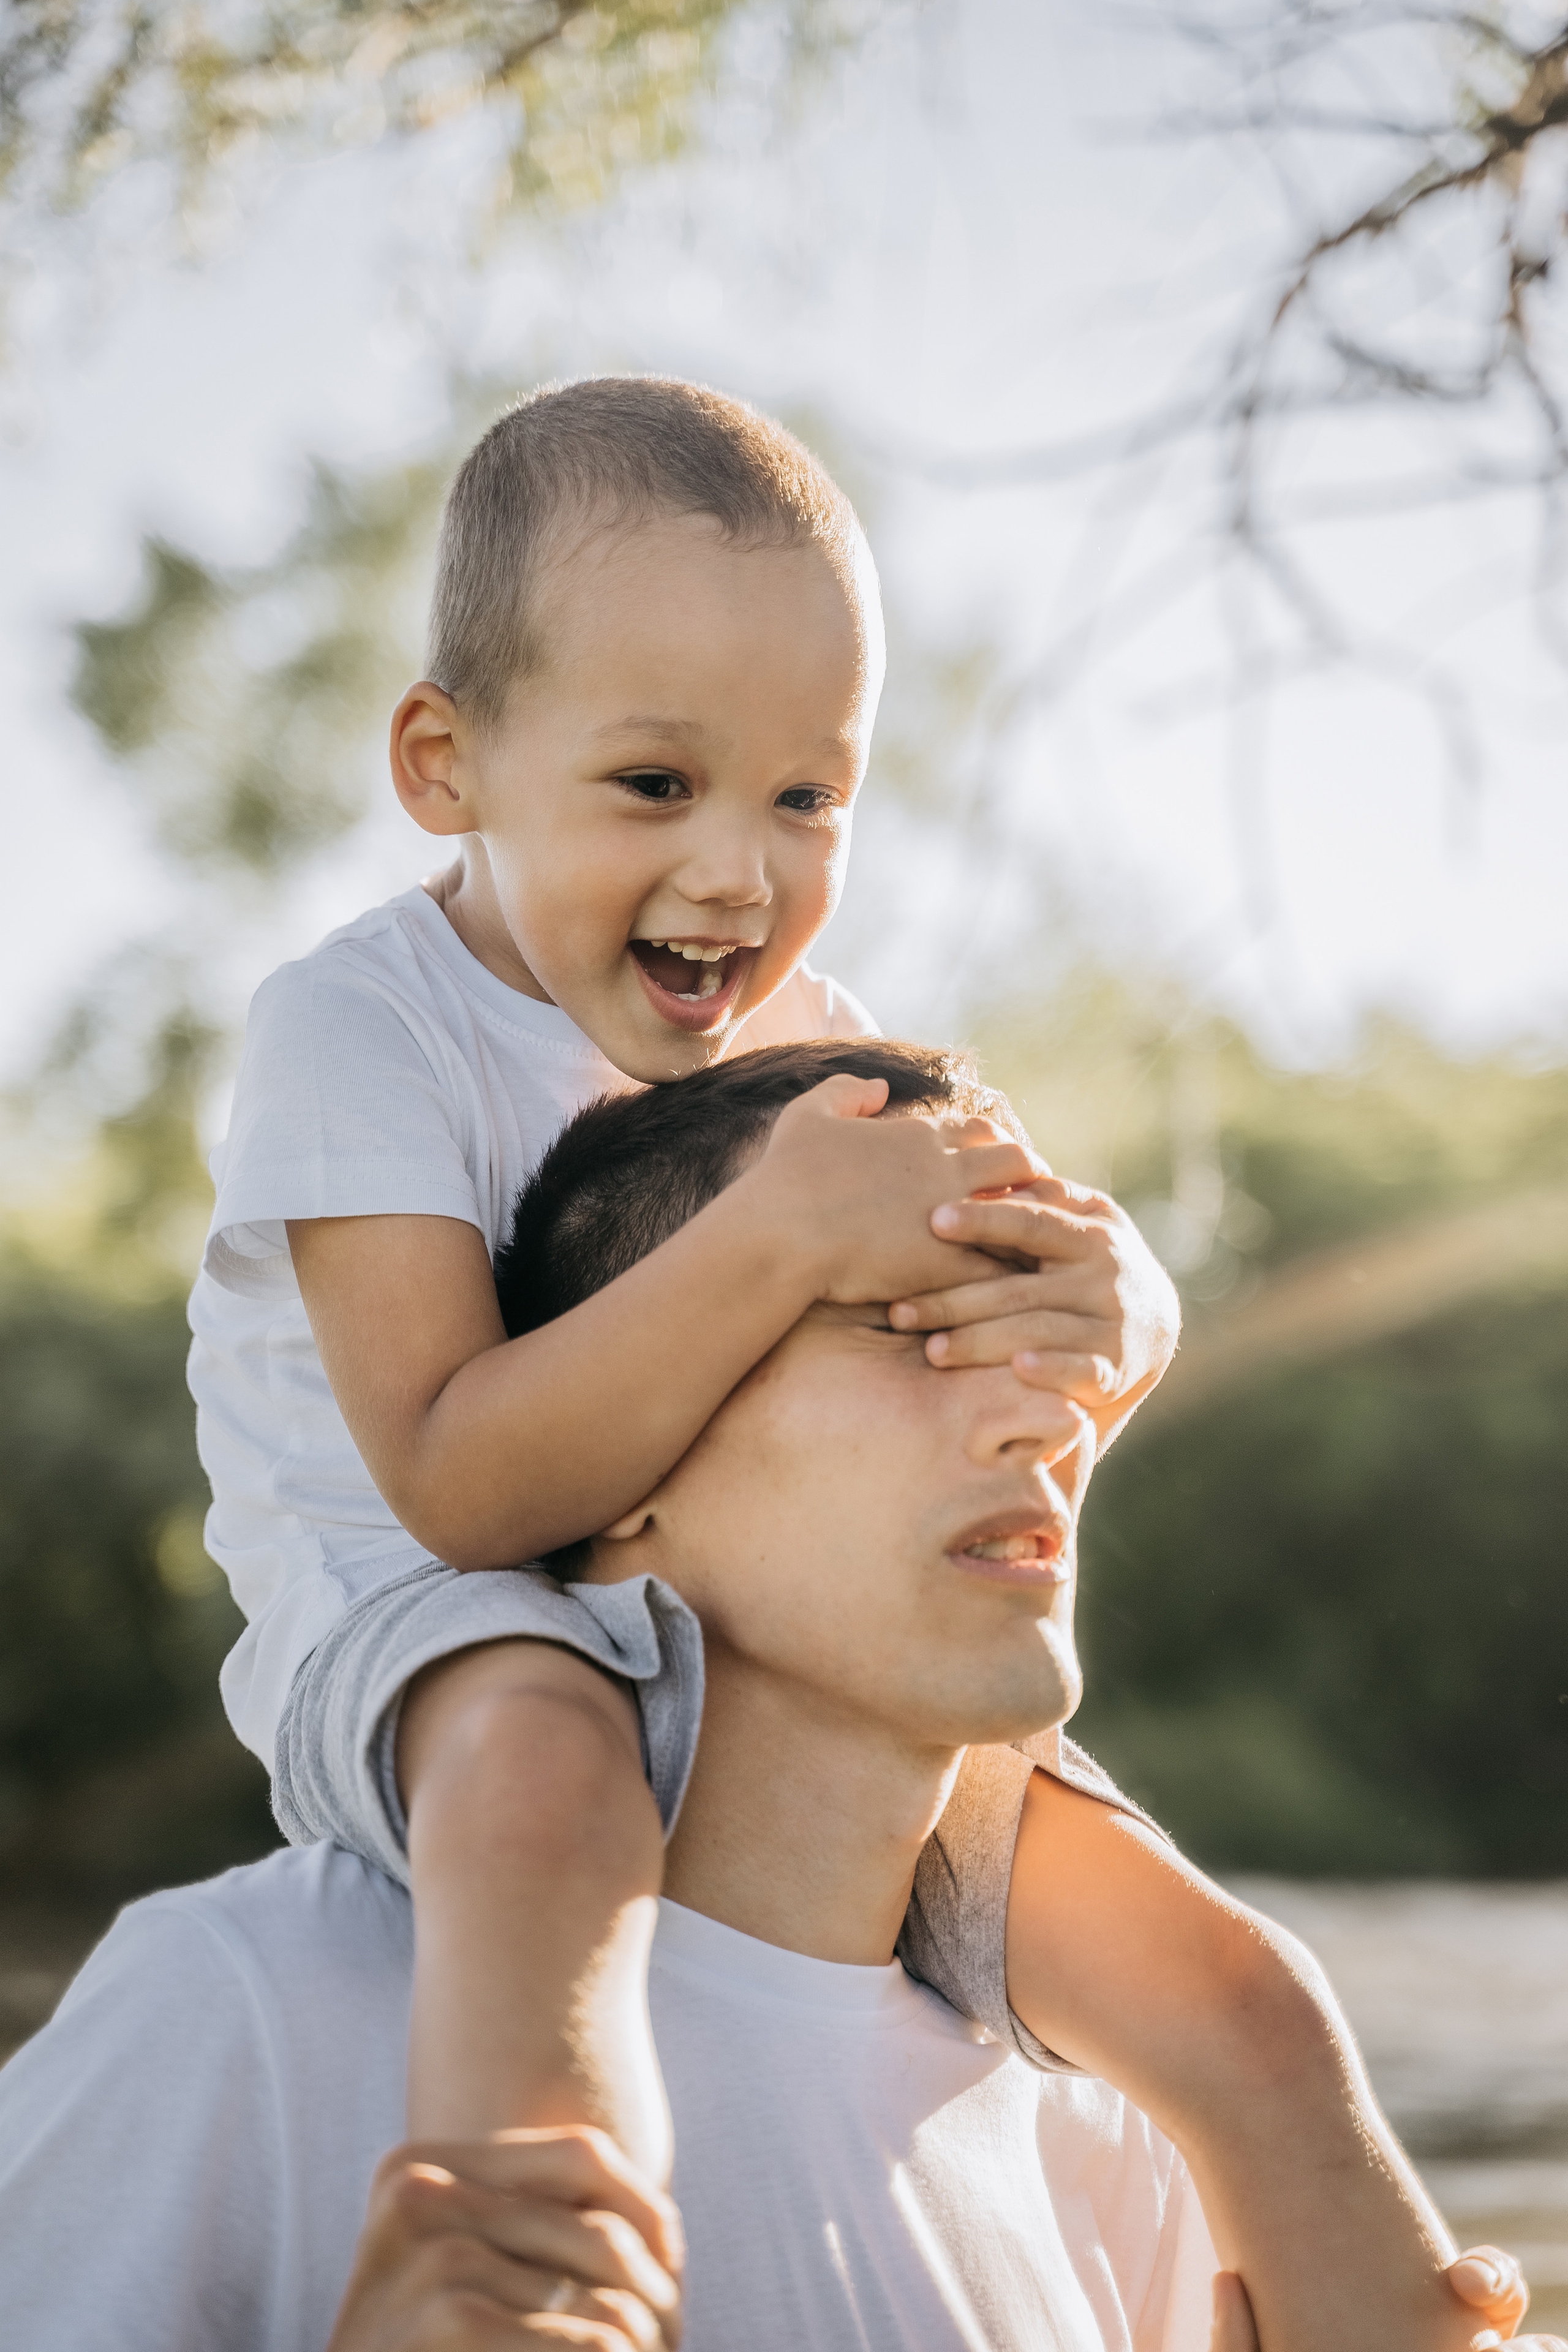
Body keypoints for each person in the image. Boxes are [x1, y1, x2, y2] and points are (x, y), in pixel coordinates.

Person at [184, 379, 1501, 2348]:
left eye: (808, 799)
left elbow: (1006, 1361)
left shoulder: (819, 1032)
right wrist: (785, 1232)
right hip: (438, 1629)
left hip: (783, 1662)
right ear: (445, 763)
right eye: (658, 788)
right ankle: (535, 2277)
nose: (740, 874)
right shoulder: (356, 1032)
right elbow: (463, 1484)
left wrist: (1120, 1310)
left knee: (1233, 1993)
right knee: (547, 1775)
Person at [1, 1042, 1552, 2352]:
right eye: (909, 1326)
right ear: (621, 1472)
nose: (1042, 1420)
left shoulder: (1120, 2150)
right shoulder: (252, 2012)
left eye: (1043, 1340)